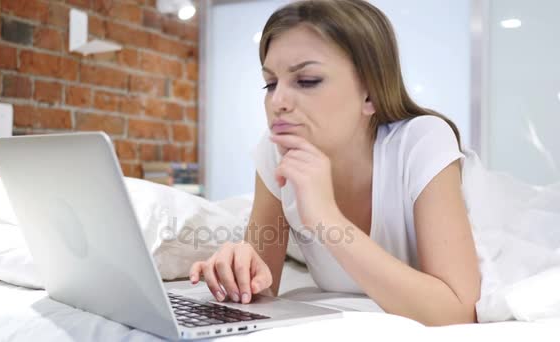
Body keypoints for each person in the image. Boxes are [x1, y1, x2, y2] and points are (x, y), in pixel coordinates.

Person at [189, 0, 481, 326]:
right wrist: (236, 272)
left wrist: (325, 217)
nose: (278, 101)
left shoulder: (421, 141)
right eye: (270, 83)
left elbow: (457, 313)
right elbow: (260, 292)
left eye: (307, 80)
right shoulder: (275, 152)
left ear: (370, 93)